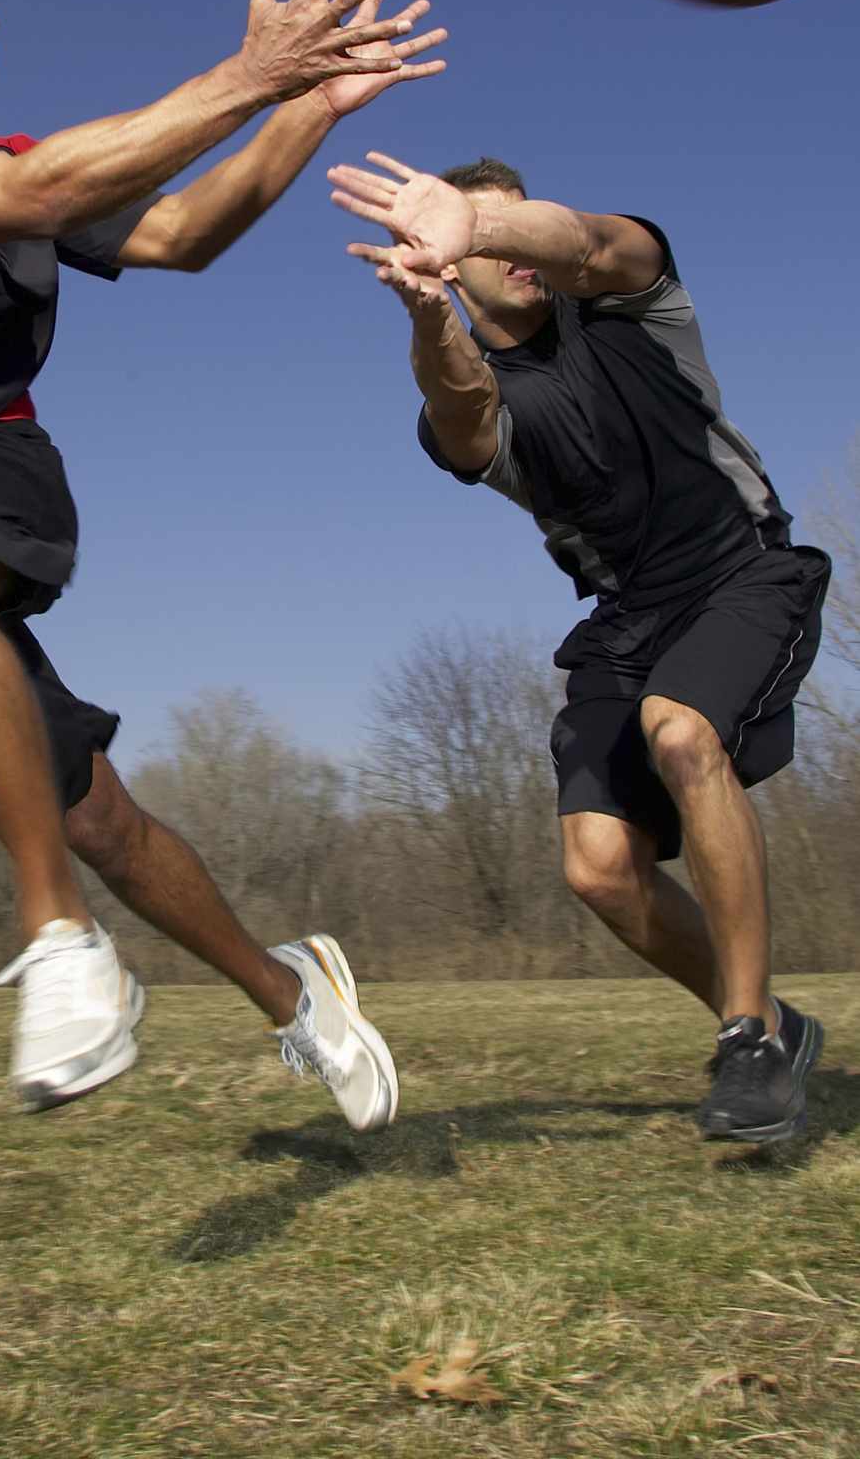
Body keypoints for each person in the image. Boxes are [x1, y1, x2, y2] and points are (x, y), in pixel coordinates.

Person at [0, 0, 445, 1124]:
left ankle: (60, 939)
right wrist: (259, 75)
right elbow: (47, 187)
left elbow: (182, 234)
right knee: (95, 816)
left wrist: (309, 104)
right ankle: (298, 996)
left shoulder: (14, 167)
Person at [329, 150, 829, 1145]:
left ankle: (748, 1041)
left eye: (516, 223)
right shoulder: (484, 391)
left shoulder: (633, 301)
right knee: (598, 866)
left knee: (682, 732)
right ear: (440, 263)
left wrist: (484, 220)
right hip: (626, 620)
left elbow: (592, 239)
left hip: (744, 573)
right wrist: (429, 316)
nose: (509, 244)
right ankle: (773, 1020)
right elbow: (465, 407)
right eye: (477, 233)